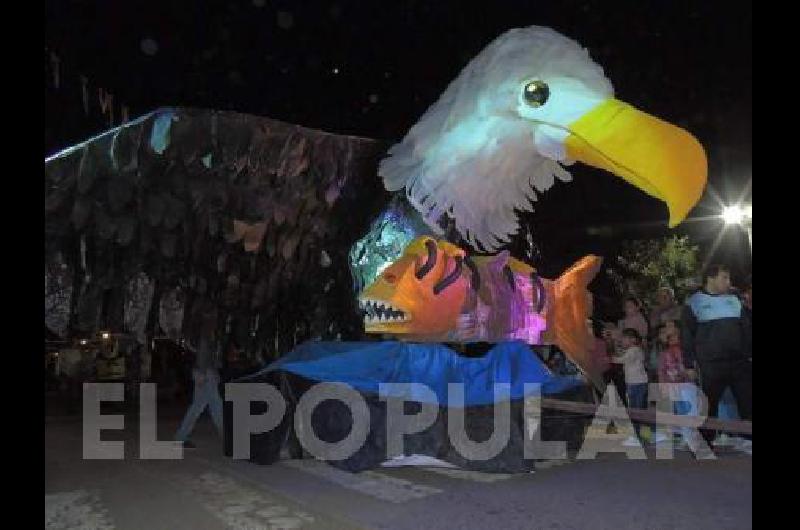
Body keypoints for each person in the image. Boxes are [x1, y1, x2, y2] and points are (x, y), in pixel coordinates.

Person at [681, 265, 752, 454]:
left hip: (739, 362)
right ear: (710, 279)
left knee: (747, 401)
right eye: (725, 278)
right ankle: (705, 443)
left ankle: (748, 439)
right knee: (708, 405)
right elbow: (687, 335)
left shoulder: (735, 299)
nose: (729, 282)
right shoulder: (693, 302)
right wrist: (688, 364)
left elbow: (746, 329)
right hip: (711, 365)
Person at [614, 328, 667, 446]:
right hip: (636, 383)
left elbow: (623, 359)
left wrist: (610, 359)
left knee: (636, 410)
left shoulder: (634, 350)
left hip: (636, 384)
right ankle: (649, 435)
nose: (622, 341)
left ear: (632, 339)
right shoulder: (634, 350)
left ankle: (639, 436)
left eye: (624, 339)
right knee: (640, 409)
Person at [174, 333, 224, 448]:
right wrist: (204, 372)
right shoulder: (208, 327)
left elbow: (206, 351)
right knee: (212, 405)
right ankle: (227, 437)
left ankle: (181, 436)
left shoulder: (206, 327)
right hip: (205, 372)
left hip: (205, 371)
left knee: (209, 405)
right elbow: (204, 348)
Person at [657, 321, 701, 449]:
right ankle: (687, 437)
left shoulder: (687, 350)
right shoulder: (664, 353)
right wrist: (663, 385)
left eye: (674, 334)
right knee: (681, 411)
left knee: (691, 411)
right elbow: (661, 370)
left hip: (687, 385)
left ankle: (693, 437)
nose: (671, 337)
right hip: (673, 386)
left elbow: (692, 369)